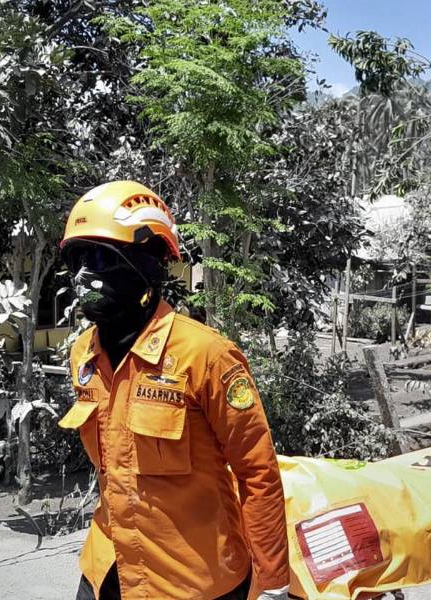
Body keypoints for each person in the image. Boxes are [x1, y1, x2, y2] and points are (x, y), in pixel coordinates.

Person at [57, 181, 289, 600]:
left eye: (100, 257)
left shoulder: (205, 355)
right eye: (77, 259)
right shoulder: (83, 354)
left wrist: (273, 584)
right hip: (106, 568)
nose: (83, 275)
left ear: (147, 262)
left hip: (195, 582)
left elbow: (259, 475)